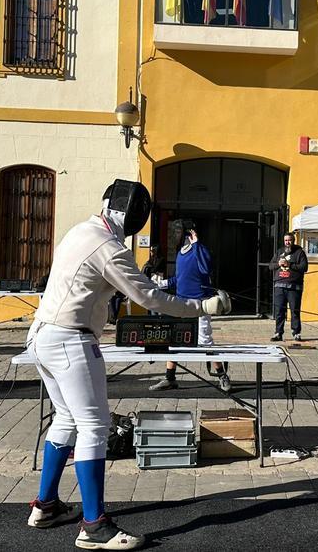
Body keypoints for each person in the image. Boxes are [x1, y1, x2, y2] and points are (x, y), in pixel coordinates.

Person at [25, 179, 231, 549]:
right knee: (94, 427)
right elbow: (148, 297)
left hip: (42, 336)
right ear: (135, 215)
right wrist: (203, 306)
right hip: (70, 339)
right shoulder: (107, 246)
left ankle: (46, 505)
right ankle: (94, 526)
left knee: (66, 418)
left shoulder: (81, 230)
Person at [150, 221, 228, 392]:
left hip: (201, 304)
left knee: (205, 342)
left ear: (189, 233)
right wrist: (161, 283)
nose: (174, 235)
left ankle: (222, 375)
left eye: (177, 231)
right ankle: (170, 378)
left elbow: (205, 268)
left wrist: (197, 245)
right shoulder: (180, 254)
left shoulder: (200, 250)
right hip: (181, 303)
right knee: (175, 339)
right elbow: (179, 279)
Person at [271, 232, 308, 342]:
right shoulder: (279, 252)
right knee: (279, 311)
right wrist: (278, 264)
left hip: (294, 287)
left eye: (290, 240)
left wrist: (289, 264)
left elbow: (304, 267)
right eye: (286, 240)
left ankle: (296, 333)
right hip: (279, 286)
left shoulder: (299, 253)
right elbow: (270, 266)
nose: (288, 242)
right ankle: (278, 333)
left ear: (293, 240)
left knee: (294, 311)